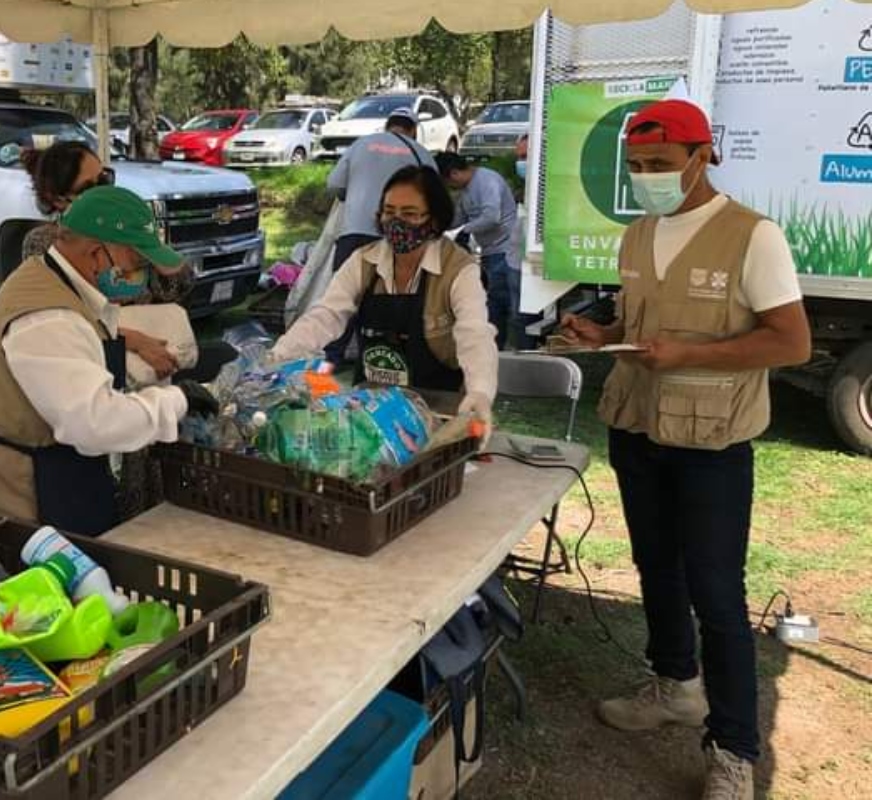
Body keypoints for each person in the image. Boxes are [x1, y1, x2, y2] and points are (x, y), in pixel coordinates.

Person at [560, 100, 811, 800]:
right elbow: (639, 324)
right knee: (655, 569)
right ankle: (676, 685)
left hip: (711, 444)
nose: (647, 179)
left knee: (718, 595)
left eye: (660, 166)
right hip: (638, 427)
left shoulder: (752, 237)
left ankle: (734, 749)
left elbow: (791, 342)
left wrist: (692, 354)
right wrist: (599, 331)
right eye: (637, 168)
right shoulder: (638, 234)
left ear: (703, 156)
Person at [0, 186, 219, 536]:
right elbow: (94, 422)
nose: (143, 273)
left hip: (55, 480)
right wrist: (177, 400)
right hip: (14, 506)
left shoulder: (56, 283)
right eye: (137, 262)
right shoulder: (48, 317)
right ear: (96, 253)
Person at [271, 165, 498, 421]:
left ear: (433, 220)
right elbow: (326, 315)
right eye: (389, 212)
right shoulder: (364, 261)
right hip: (370, 406)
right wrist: (278, 355)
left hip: (436, 407)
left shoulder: (458, 268)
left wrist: (479, 393)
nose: (396, 222)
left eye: (410, 214)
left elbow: (474, 332)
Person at [20, 141, 192, 379]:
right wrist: (133, 340)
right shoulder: (44, 245)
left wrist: (149, 248)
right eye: (90, 187)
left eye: (105, 179)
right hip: (97, 360)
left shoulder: (125, 228)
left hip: (153, 355)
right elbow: (59, 324)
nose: (104, 190)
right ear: (58, 199)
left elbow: (178, 288)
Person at [324, 109, 438, 363]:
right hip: (396, 242)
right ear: (413, 130)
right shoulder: (420, 152)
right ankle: (379, 360)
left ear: (388, 125)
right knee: (385, 303)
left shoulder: (360, 145)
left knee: (343, 298)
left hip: (353, 234)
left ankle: (330, 360)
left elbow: (334, 185)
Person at [434, 152, 519, 350]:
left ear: (454, 174)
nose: (451, 188)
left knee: (501, 305)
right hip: (490, 252)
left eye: (448, 183)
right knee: (493, 305)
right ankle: (494, 349)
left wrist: (464, 231)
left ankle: (504, 351)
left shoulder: (486, 181)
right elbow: (460, 217)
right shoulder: (467, 190)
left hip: (504, 250)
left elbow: (491, 216)